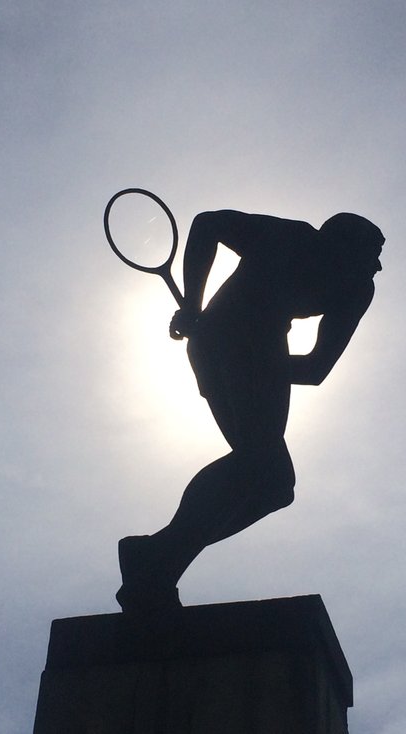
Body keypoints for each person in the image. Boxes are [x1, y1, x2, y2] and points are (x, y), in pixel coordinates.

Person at [116, 208, 384, 613]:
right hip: (224, 337)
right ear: (338, 243)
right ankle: (156, 556)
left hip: (244, 347)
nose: (378, 265)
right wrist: (193, 306)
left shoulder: (356, 289)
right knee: (262, 465)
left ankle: (157, 558)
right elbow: (208, 223)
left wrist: (262, 366)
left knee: (272, 483)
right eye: (372, 252)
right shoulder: (292, 237)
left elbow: (315, 369)